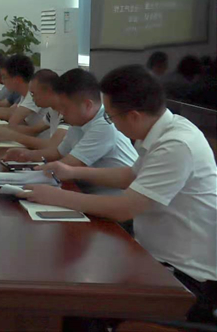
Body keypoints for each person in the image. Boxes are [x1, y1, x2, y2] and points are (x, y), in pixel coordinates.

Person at [23, 65, 216, 323]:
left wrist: (56, 197)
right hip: (153, 255)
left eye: (111, 116)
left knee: (78, 301)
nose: (110, 122)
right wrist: (70, 171)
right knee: (72, 280)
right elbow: (129, 176)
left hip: (185, 277)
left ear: (133, 116)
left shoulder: (176, 144)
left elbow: (125, 208)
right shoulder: (161, 131)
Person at [5, 69, 138, 193]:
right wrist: (27, 155)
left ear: (87, 105)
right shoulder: (78, 121)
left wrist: (25, 175)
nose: (61, 112)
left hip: (117, 195)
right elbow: (58, 152)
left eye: (65, 107)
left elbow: (68, 165)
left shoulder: (103, 125)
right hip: (91, 190)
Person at [0, 69, 68, 150]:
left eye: (33, 94)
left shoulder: (67, 113)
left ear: (48, 91)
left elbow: (52, 145)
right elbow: (33, 130)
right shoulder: (52, 110)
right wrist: (1, 128)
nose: (32, 98)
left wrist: (12, 135)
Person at [0, 54, 44, 128]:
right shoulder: (24, 95)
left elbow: (13, 120)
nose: (2, 81)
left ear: (17, 79)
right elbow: (12, 112)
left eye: (4, 77)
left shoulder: (33, 96)